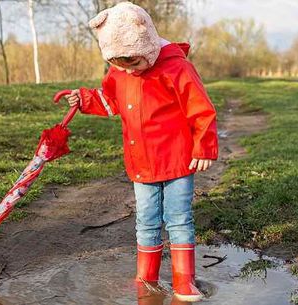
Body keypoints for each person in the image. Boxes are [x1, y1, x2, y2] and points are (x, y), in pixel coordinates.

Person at [64, 2, 218, 302]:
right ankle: (146, 276)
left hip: (177, 161)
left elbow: (201, 110)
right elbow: (110, 100)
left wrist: (204, 146)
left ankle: (184, 280)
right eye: (119, 64)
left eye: (133, 62)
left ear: (146, 45)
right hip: (142, 164)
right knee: (146, 220)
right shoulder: (119, 72)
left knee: (178, 219)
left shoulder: (176, 67)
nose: (127, 70)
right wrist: (83, 99)